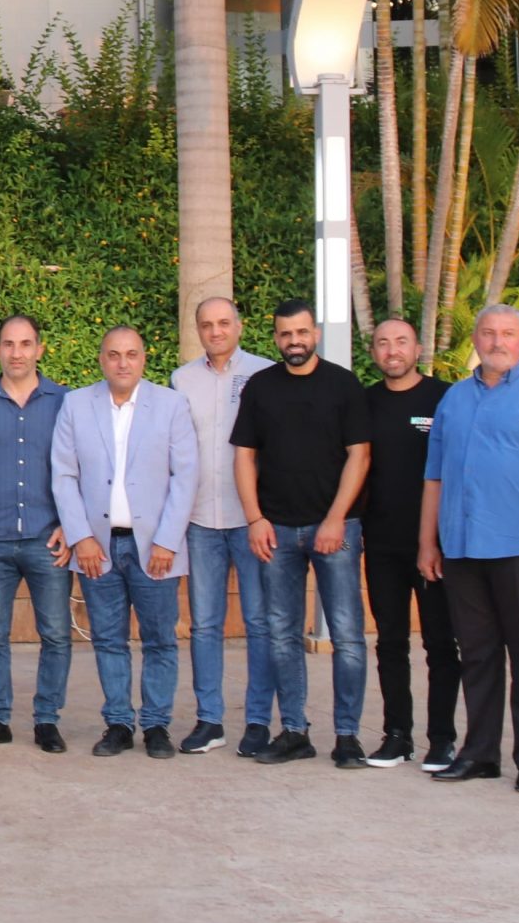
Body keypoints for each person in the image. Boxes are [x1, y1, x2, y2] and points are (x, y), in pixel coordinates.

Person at [419, 303, 519, 794]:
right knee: (477, 655)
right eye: (489, 333)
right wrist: (428, 542)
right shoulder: (453, 399)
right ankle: (480, 754)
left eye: (508, 334)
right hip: (462, 548)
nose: (498, 342)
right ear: (476, 339)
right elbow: (434, 476)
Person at [231, 300, 371, 767]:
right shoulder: (261, 387)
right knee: (282, 634)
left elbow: (360, 456)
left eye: (302, 332)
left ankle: (348, 736)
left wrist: (335, 518)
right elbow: (244, 456)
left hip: (336, 528)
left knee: (347, 635)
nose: (295, 341)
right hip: (276, 531)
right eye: (286, 334)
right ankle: (294, 731)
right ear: (275, 338)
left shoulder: (343, 385)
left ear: (316, 334)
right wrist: (255, 519)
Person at [50, 326, 198, 757]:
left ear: (144, 358)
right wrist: (81, 537)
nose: (122, 362)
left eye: (131, 354)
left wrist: (167, 540)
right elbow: (64, 474)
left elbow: (185, 476)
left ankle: (156, 725)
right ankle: (118, 723)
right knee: (108, 639)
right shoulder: (76, 405)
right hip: (98, 547)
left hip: (155, 547)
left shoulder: (171, 405)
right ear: (101, 359)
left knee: (159, 638)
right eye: (114, 354)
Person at [0, 314, 72, 752]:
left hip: (48, 539)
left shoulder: (65, 402)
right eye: (8, 344)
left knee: (56, 634)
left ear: (39, 349)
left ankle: (47, 720)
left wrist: (71, 526)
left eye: (25, 344)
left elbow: (77, 468)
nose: (17, 352)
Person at [169, 297, 277, 756]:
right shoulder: (181, 380)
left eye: (224, 323)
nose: (216, 331)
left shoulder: (266, 374)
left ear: (239, 325)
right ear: (198, 330)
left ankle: (257, 721)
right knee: (205, 625)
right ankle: (209, 720)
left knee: (259, 623)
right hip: (200, 520)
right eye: (207, 325)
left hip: (252, 520)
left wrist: (263, 515)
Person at [357, 317, 458, 770]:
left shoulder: (445, 399)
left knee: (441, 644)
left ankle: (442, 739)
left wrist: (435, 540)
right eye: (383, 343)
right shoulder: (364, 402)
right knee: (390, 643)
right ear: (373, 352)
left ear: (417, 349)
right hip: (381, 544)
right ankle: (397, 735)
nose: (392, 350)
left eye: (401, 342)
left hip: (434, 546)